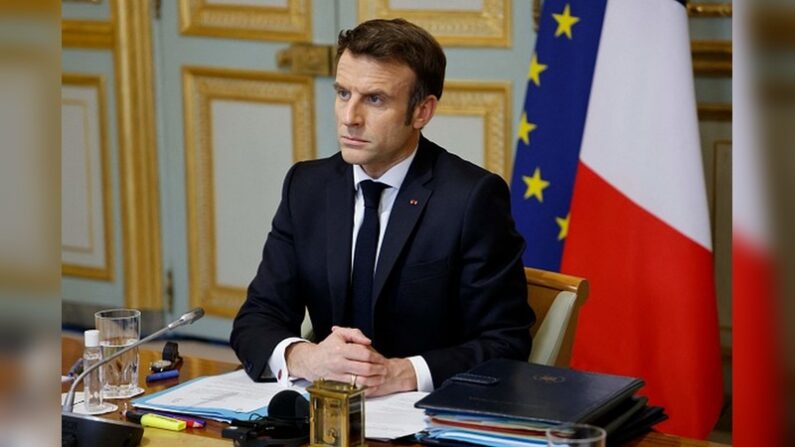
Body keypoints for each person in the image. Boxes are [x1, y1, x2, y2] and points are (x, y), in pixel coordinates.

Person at [231, 18, 534, 397]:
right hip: (328, 413)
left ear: (422, 112)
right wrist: (307, 357)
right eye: (343, 93)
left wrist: (403, 373)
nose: (349, 117)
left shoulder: (471, 198)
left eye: (375, 99)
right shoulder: (307, 187)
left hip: (424, 417)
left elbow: (506, 344)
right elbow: (256, 320)